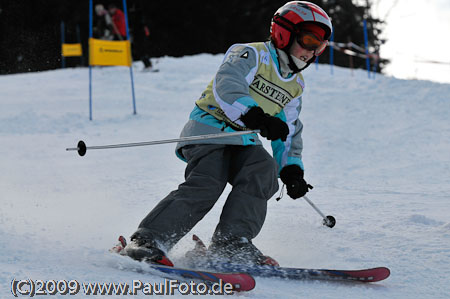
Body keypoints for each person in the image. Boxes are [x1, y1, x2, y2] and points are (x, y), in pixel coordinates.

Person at [123, 1, 333, 267]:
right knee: (209, 180)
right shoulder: (251, 55)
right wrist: (255, 116)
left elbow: (289, 130)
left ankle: (231, 243)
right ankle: (148, 240)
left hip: (243, 140)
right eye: (310, 40)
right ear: (284, 32)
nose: (312, 52)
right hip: (209, 129)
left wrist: (291, 169)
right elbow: (228, 85)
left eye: (321, 46)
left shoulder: (295, 85)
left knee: (263, 170)